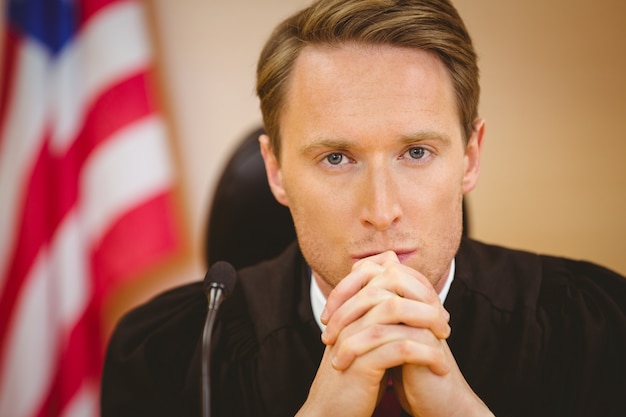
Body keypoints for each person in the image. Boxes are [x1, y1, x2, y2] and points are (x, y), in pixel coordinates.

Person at [100, 0, 626, 416]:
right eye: (336, 157)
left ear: (470, 157)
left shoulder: (595, 328)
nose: (381, 210)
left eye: (416, 153)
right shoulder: (167, 354)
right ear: (276, 170)